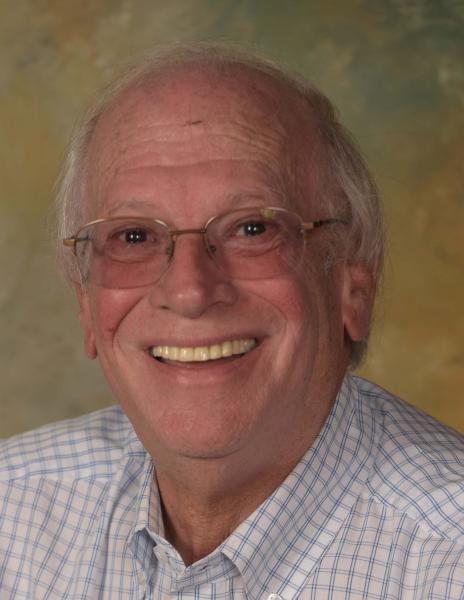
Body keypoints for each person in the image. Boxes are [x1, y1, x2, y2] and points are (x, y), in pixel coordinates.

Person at [1, 44, 463, 600]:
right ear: (85, 300)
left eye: (252, 229)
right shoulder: (11, 514)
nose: (190, 291)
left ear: (354, 281)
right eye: (134, 236)